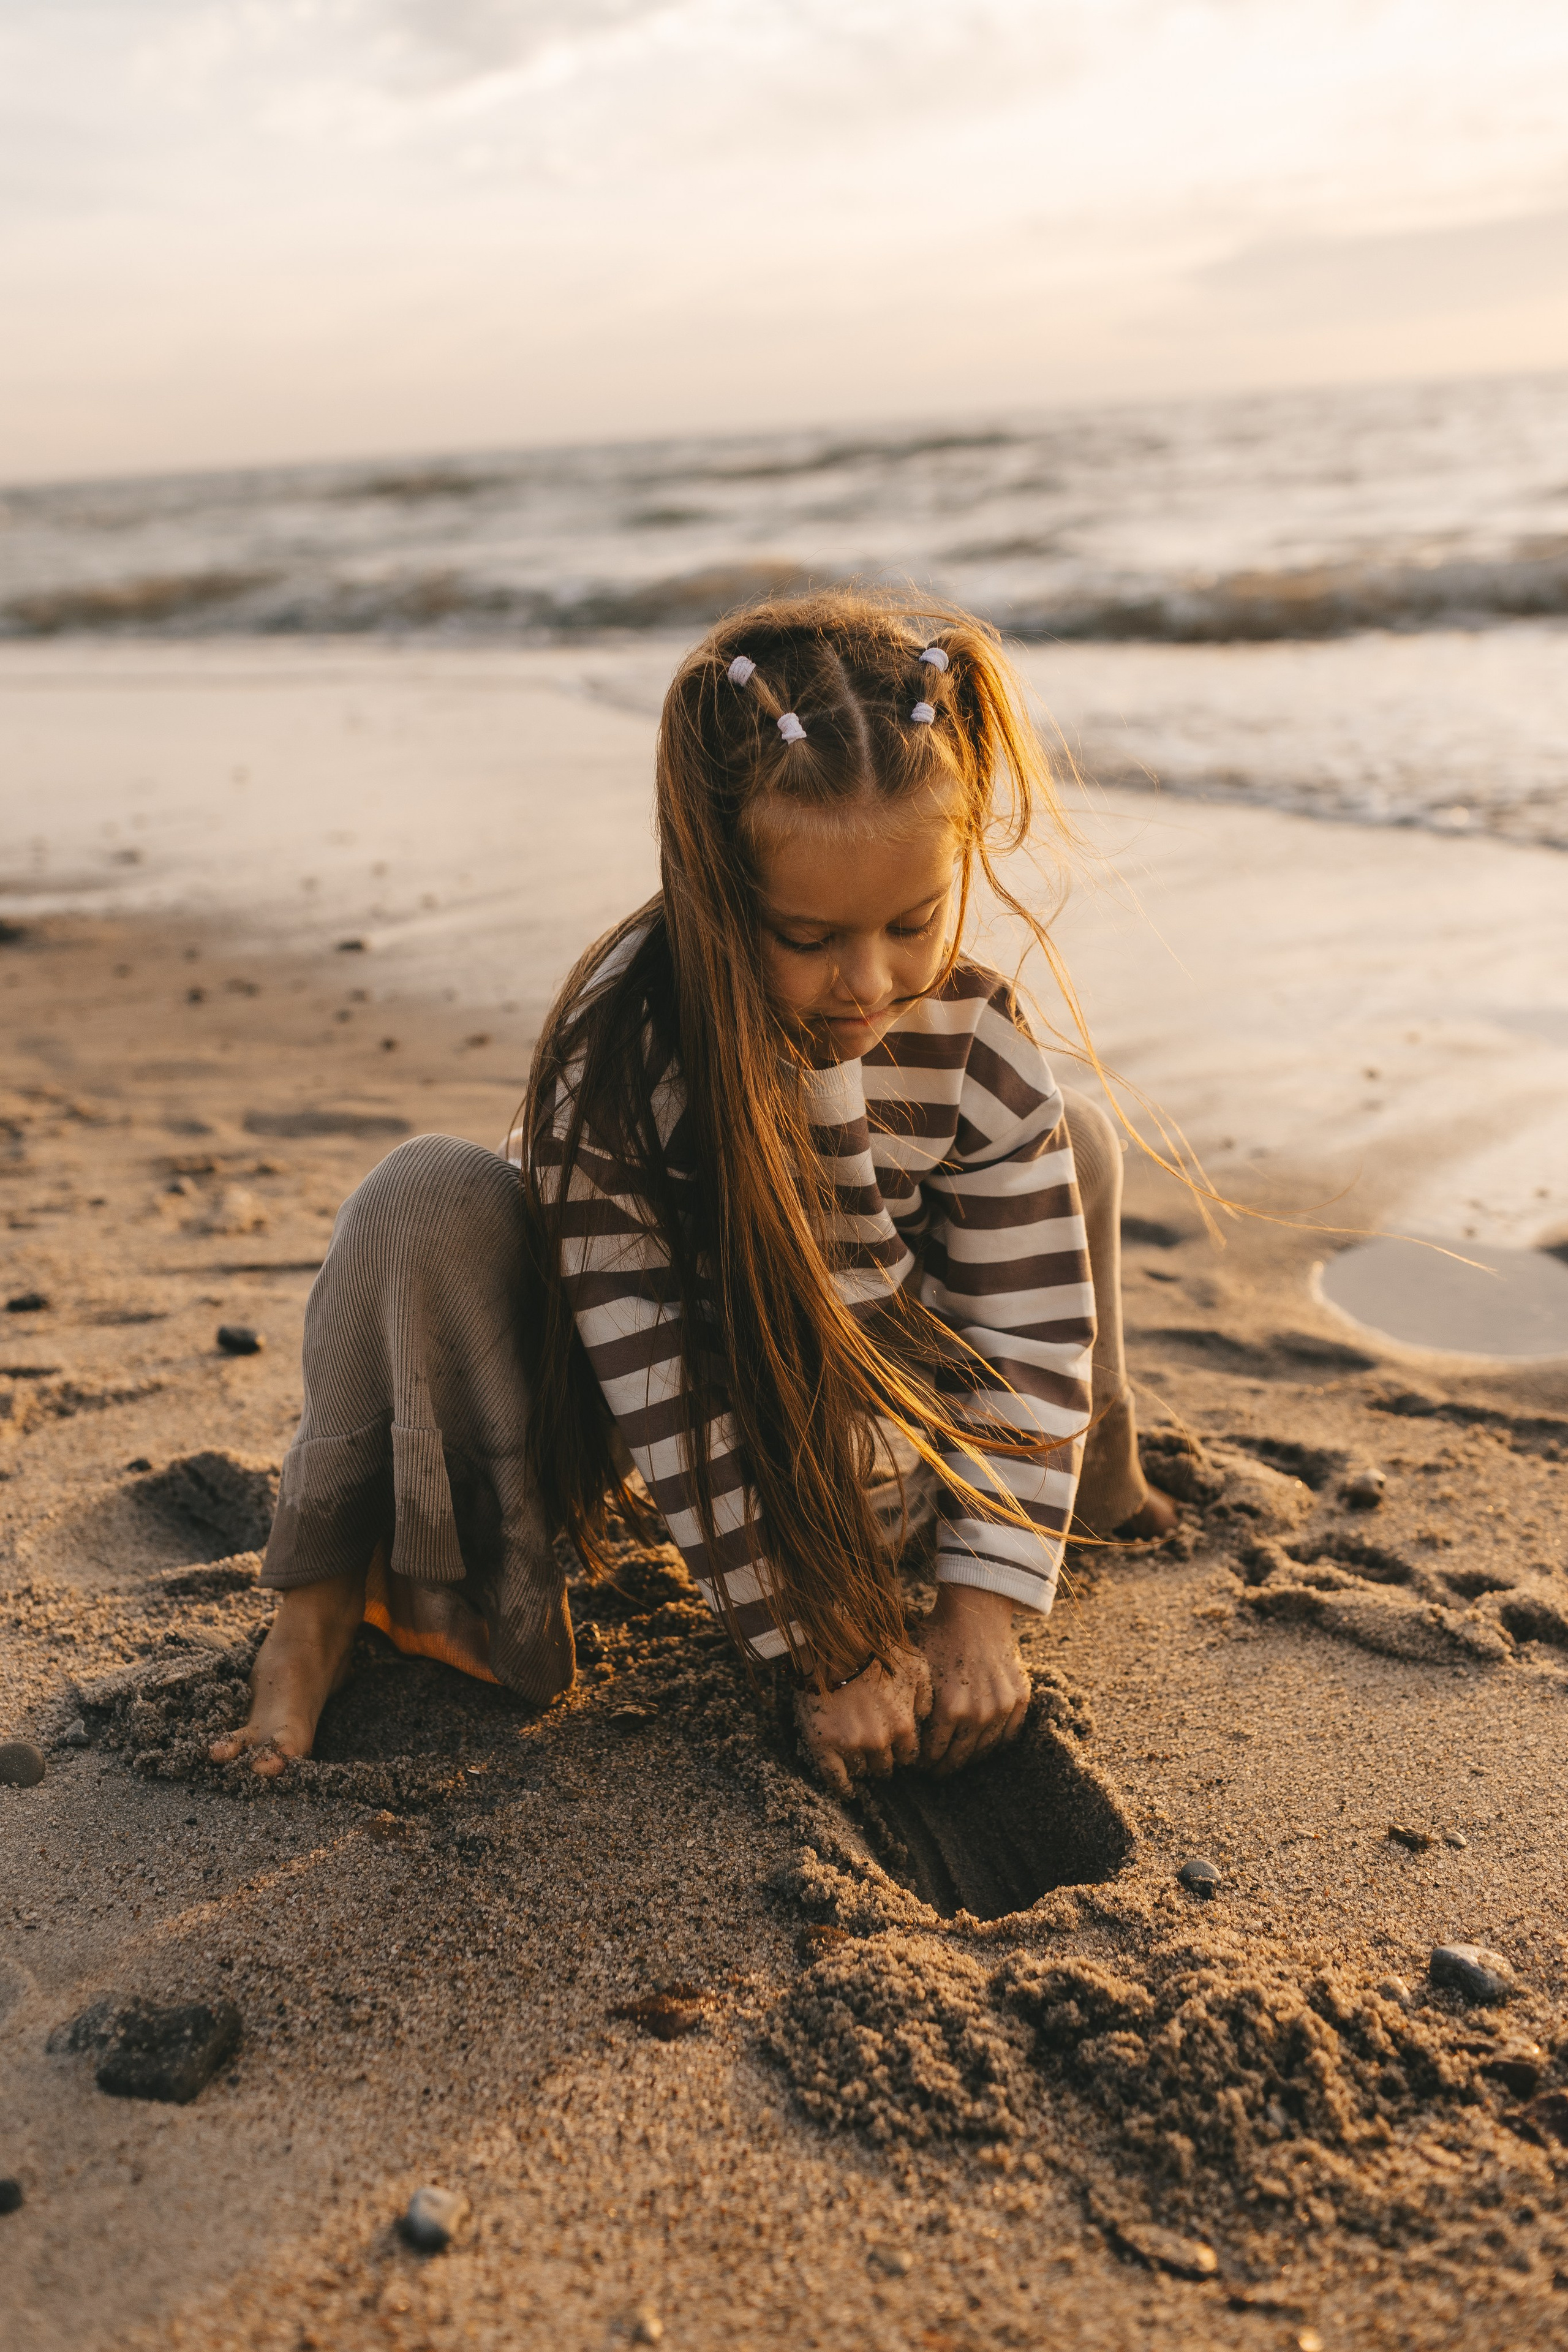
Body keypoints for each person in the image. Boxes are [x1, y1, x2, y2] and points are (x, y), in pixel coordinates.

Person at [211, 591, 1175, 1795]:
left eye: (912, 921)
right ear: (717, 884)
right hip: (613, 1377)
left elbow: (1026, 1331)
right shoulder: (617, 1051)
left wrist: (978, 1612)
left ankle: (1099, 1476)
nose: (865, 980)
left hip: (853, 1348)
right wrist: (812, 1635)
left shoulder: (968, 1033)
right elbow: (662, 1380)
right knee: (424, 1198)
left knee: (1069, 1139)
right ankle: (317, 1616)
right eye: (808, 935)